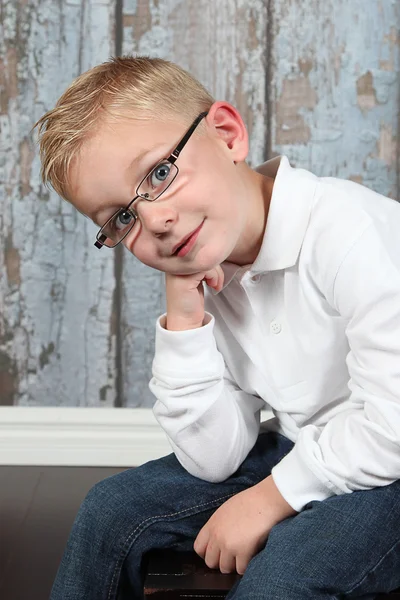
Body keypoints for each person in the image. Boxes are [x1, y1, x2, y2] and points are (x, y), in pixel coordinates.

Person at [34, 56, 400, 600]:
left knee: (280, 581)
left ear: (227, 135)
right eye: (122, 219)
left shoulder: (351, 234)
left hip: (390, 458)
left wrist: (271, 498)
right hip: (314, 448)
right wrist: (185, 319)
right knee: (109, 511)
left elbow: (391, 425)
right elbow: (215, 459)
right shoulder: (214, 267)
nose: (154, 221)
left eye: (160, 173)